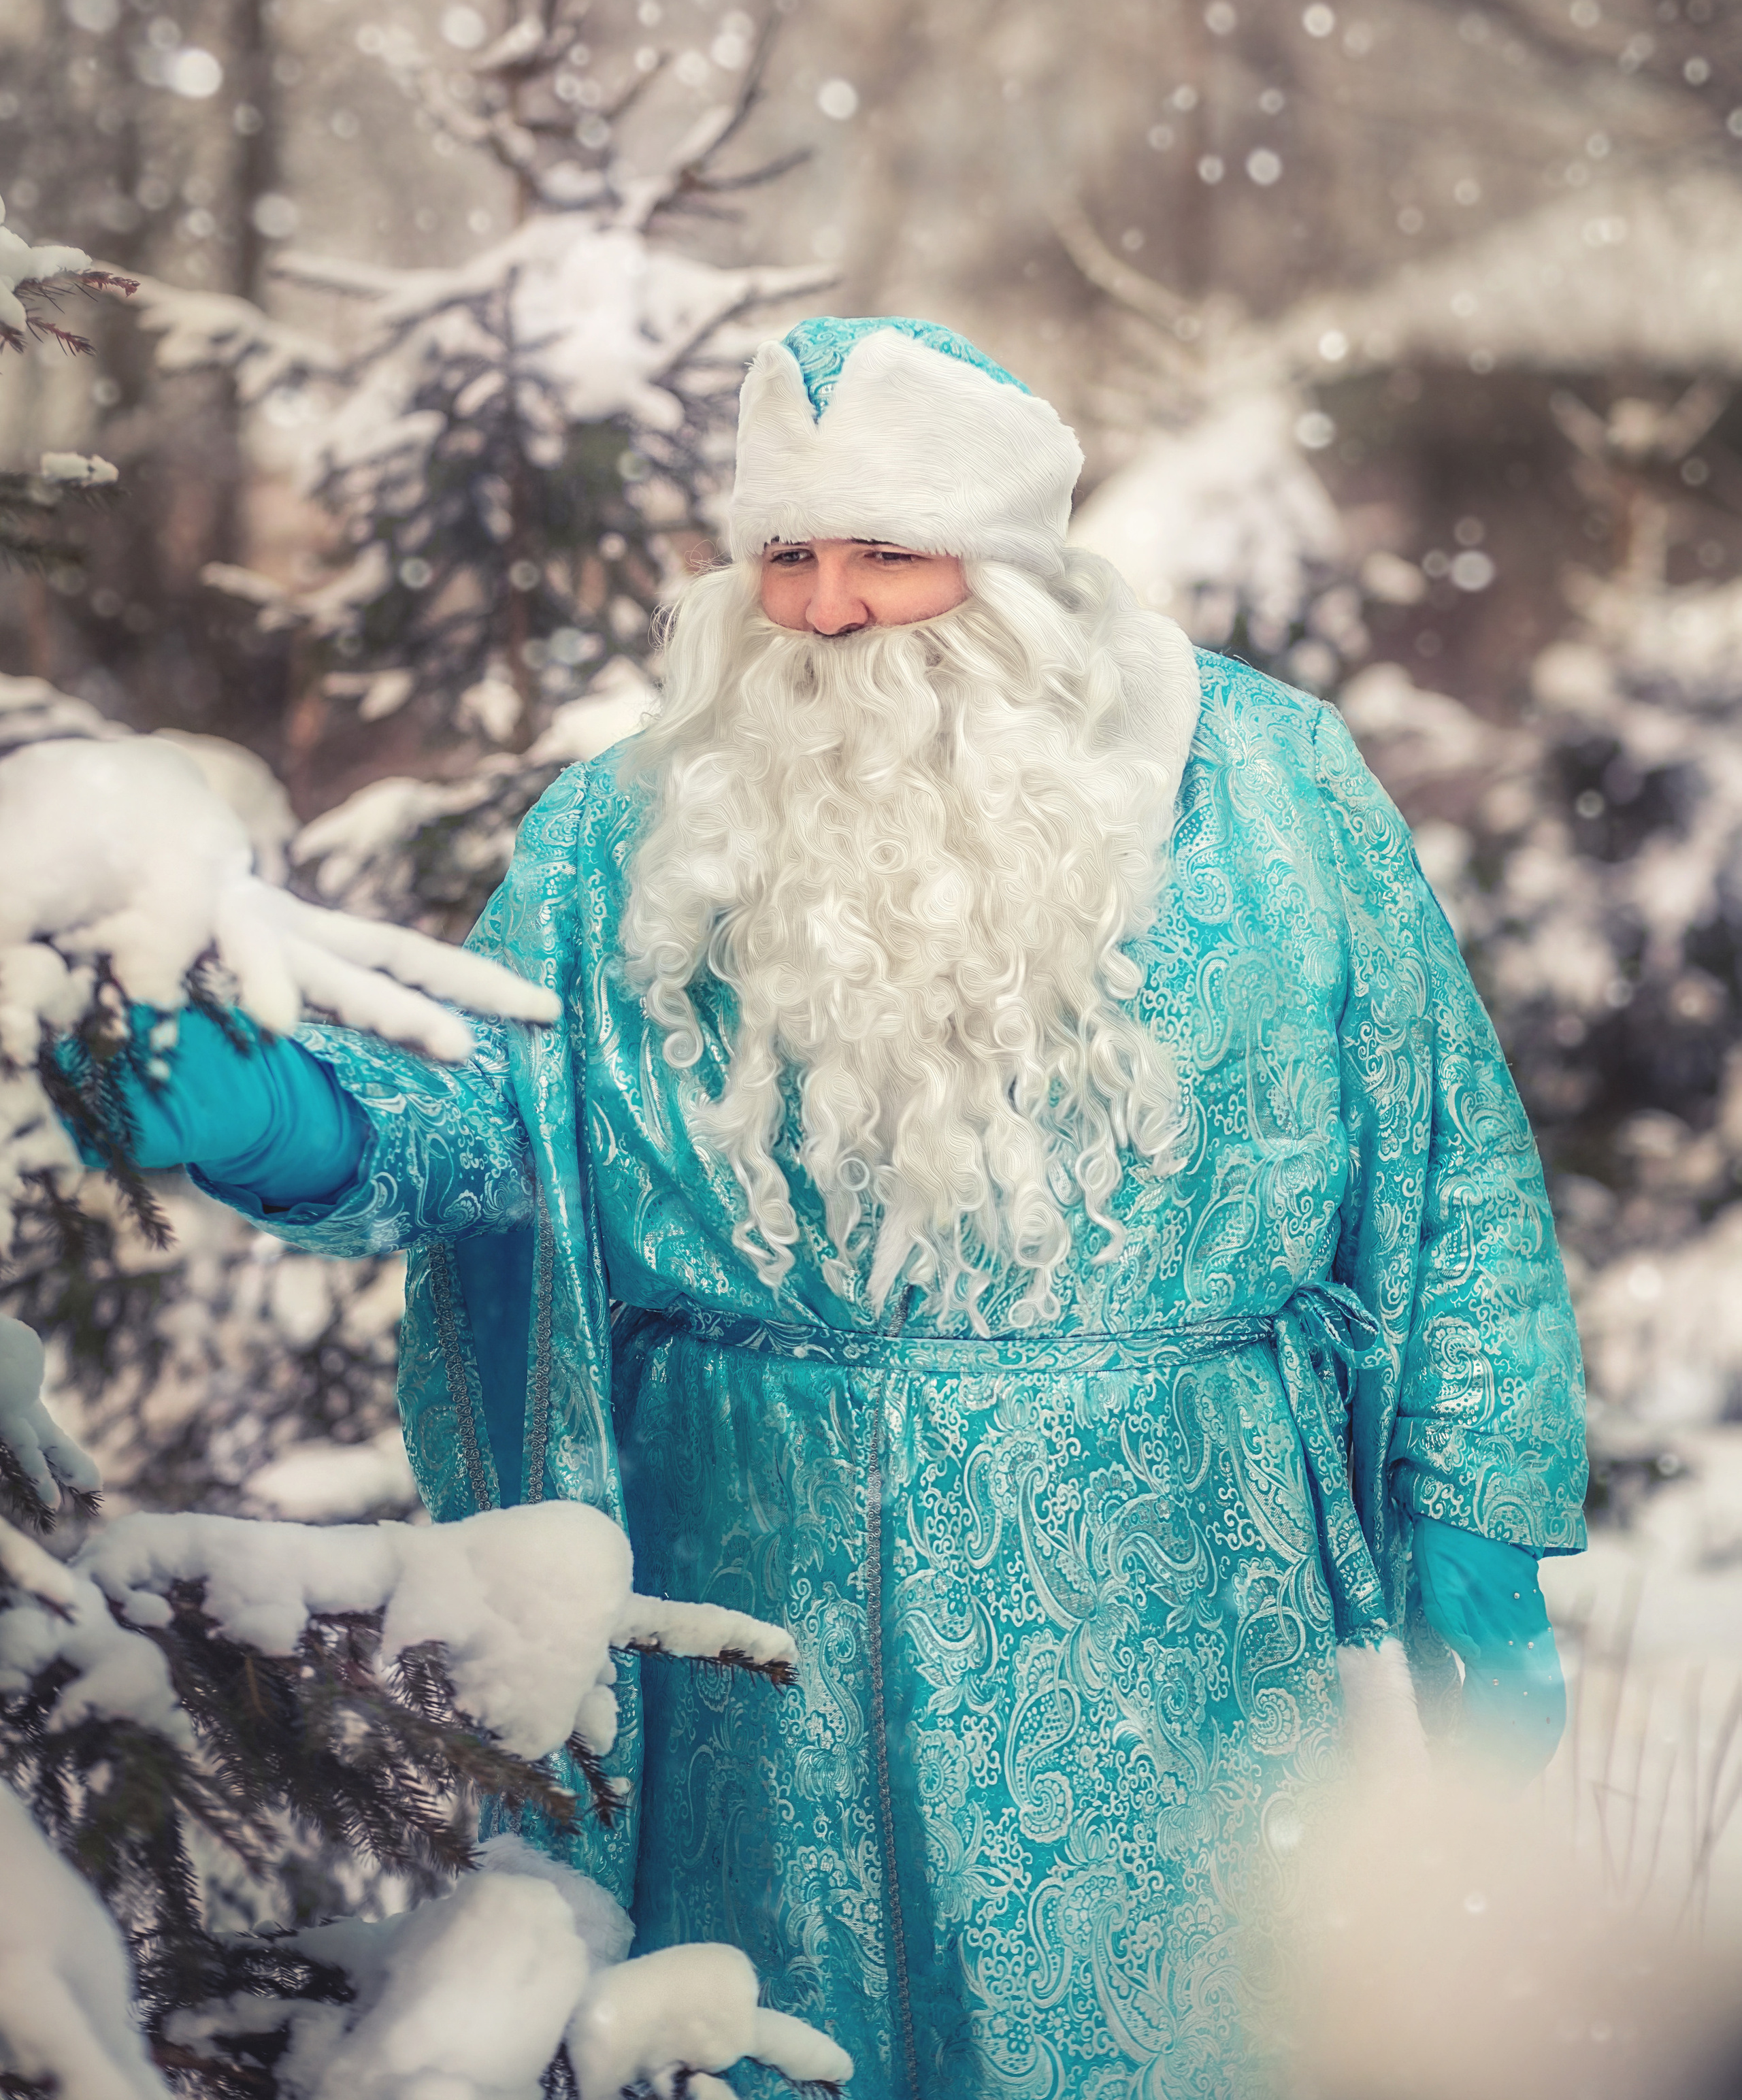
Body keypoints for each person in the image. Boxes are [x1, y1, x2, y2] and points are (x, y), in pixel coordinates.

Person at [103, 316, 1588, 2099]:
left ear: (1010, 561)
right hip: (759, 1608)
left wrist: (1476, 1518)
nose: (823, 611)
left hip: (1183, 1605)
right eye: (787, 553)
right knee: (782, 2040)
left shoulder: (1274, 790)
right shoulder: (626, 833)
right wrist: (280, 1116)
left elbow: (1450, 1158)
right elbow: (488, 1117)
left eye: (886, 550)